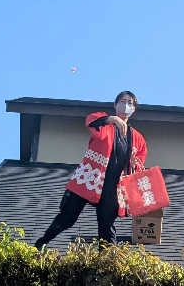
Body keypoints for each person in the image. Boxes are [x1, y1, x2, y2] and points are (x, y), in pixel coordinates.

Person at [34, 91, 147, 250]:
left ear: (134, 109)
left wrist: (137, 164)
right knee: (68, 216)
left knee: (107, 225)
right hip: (91, 176)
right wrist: (111, 119)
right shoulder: (104, 122)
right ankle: (40, 243)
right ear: (115, 105)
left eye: (130, 102)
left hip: (113, 185)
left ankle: (107, 264)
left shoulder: (138, 138)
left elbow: (140, 161)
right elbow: (90, 121)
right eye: (122, 101)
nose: (126, 105)